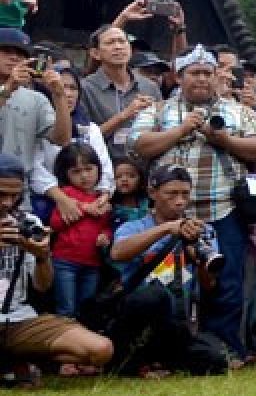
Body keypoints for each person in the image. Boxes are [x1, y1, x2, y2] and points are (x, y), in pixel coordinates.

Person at [128, 45, 256, 362]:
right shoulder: (158, 110)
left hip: (224, 211)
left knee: (226, 283)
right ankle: (167, 353)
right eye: (195, 73)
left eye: (208, 73)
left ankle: (224, 351)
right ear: (179, 77)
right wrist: (181, 130)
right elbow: (137, 146)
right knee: (168, 283)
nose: (202, 79)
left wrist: (223, 139)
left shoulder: (238, 111)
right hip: (170, 218)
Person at [107, 165, 228, 376]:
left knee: (216, 359)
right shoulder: (133, 227)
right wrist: (167, 229)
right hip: (137, 318)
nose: (180, 201)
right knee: (153, 295)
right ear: (152, 193)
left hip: (177, 321)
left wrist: (198, 258)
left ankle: (162, 361)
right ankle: (132, 363)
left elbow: (209, 284)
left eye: (185, 194)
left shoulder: (203, 230)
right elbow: (117, 253)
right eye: (171, 194)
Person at [0, 154, 112, 382]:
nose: (7, 203)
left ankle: (18, 359)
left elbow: (42, 286)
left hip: (17, 318)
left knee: (101, 349)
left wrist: (42, 257)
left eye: (14, 195)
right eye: (1, 194)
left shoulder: (28, 222)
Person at [30, 64, 114, 222]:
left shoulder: (90, 129)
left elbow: (104, 166)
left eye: (73, 88)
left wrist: (103, 195)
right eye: (60, 87)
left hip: (91, 202)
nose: (67, 94)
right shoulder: (37, 128)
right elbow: (35, 170)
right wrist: (62, 199)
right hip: (50, 202)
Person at [80, 21, 164, 157]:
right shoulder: (85, 88)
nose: (118, 47)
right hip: (103, 169)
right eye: (110, 43)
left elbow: (162, 130)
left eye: (122, 42)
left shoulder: (150, 87)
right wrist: (126, 114)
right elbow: (83, 139)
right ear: (95, 53)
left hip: (144, 167)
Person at [0, 29, 71, 189]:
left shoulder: (36, 98)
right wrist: (7, 89)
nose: (14, 57)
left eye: (21, 54)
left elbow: (62, 140)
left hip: (17, 191)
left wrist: (59, 96)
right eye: (6, 51)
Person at [49, 142, 112, 320]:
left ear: (98, 169)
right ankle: (66, 344)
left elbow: (106, 226)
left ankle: (85, 344)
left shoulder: (102, 198)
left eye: (89, 169)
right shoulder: (66, 194)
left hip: (92, 264)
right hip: (65, 262)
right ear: (66, 174)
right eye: (76, 171)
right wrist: (85, 209)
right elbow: (55, 224)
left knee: (87, 309)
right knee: (66, 310)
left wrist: (105, 237)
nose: (84, 176)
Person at [111, 156, 150, 226]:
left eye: (131, 176)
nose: (124, 179)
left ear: (141, 179)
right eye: (118, 177)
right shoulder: (110, 208)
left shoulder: (148, 203)